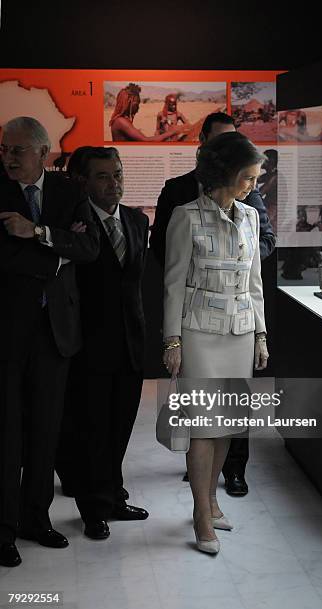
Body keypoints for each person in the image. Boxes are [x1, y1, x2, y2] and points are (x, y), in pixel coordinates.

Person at [150, 112, 275, 496]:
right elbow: (171, 280)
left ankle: (217, 498)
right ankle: (202, 511)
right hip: (200, 333)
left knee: (231, 421)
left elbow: (254, 282)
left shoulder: (252, 213)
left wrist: (261, 334)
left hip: (239, 332)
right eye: (251, 177)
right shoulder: (185, 213)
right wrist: (173, 341)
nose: (256, 185)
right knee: (203, 426)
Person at [0, 117, 99, 567]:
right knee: (7, 433)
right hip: (7, 329)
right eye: (4, 149)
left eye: (18, 150)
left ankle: (35, 519)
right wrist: (56, 255)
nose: (9, 157)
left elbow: (90, 248)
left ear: (44, 153)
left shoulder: (68, 193)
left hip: (55, 330)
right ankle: (3, 528)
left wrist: (36, 233)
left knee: (45, 428)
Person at [59, 147, 149, 540]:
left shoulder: (137, 220)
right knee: (92, 429)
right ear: (84, 181)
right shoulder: (72, 223)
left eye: (118, 174)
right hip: (89, 345)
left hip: (131, 342)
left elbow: (134, 285)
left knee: (121, 425)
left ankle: (113, 496)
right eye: (103, 176)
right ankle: (93, 508)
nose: (114, 183)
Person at [109, 83, 186, 142]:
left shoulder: (121, 120)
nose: (138, 108)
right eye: (137, 103)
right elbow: (145, 140)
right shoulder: (121, 121)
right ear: (129, 103)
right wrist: (172, 132)